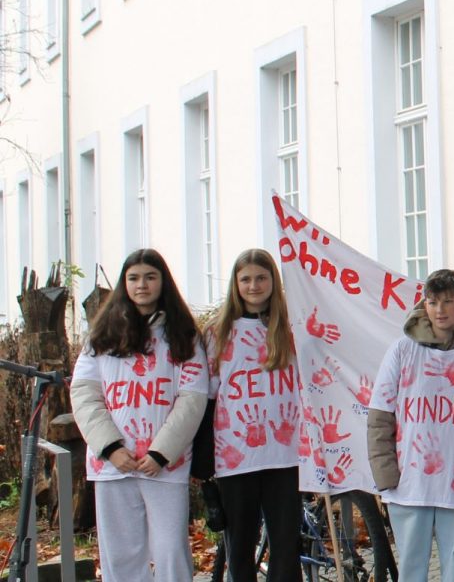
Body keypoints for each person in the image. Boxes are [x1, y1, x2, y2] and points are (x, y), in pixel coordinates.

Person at [70, 249, 210, 581]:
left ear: (163, 282)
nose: (142, 285)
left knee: (170, 550)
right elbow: (84, 394)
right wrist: (110, 448)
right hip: (113, 464)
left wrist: (162, 452)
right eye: (133, 278)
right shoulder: (102, 336)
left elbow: (192, 398)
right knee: (120, 554)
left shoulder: (184, 336)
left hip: (165, 464)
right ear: (124, 283)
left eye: (150, 277)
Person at [366, 269, 454, 582]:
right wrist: (385, 473)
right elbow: (380, 417)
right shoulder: (402, 350)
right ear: (424, 304)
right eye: (433, 302)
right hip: (409, 484)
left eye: (448, 301)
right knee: (412, 568)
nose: (440, 310)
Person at [197, 249, 303, 582]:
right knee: (239, 549)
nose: (254, 286)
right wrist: (204, 458)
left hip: (285, 455)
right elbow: (207, 397)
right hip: (236, 457)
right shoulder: (217, 333)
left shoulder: (292, 328)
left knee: (286, 548)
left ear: (273, 280)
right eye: (246, 279)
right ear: (236, 283)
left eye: (261, 278)